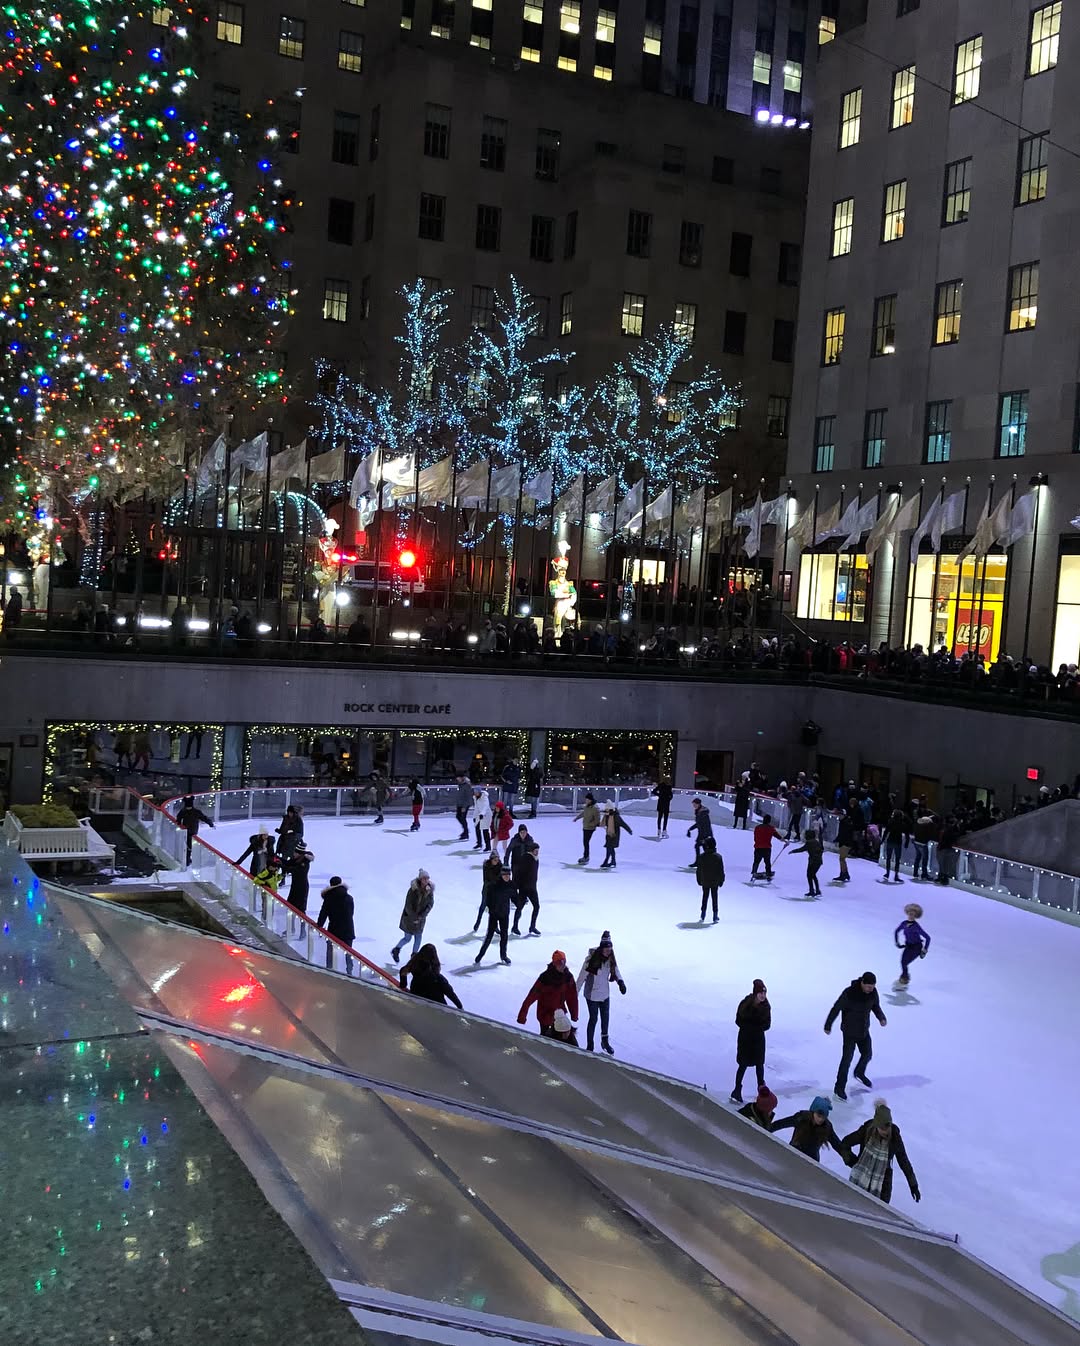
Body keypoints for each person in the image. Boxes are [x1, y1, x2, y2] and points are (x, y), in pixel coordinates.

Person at [841, 1099, 920, 1205]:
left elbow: (903, 1161)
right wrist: (853, 1162)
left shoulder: (895, 1137)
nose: (884, 1131)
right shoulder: (867, 1130)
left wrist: (913, 1185)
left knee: (878, 1209)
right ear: (876, 1125)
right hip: (861, 1177)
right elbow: (845, 1143)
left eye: (887, 1127)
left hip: (883, 1182)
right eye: (881, 1128)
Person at [824, 971, 887, 1100]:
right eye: (869, 987)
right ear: (862, 983)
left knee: (867, 1054)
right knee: (846, 1060)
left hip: (863, 1030)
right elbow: (836, 1008)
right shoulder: (849, 993)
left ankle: (859, 1072)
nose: (871, 989)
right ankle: (839, 1087)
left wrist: (881, 1017)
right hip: (849, 1032)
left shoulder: (873, 993)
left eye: (873, 987)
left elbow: (875, 1006)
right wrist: (828, 1024)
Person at [576, 931, 625, 1054]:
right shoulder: (591, 960)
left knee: (605, 1019)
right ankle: (590, 1045)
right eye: (607, 949)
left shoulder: (610, 959)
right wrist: (574, 993)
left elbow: (616, 969)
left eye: (610, 949)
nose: (609, 952)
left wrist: (621, 982)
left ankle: (605, 1041)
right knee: (593, 1019)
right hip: (592, 995)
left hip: (605, 995)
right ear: (602, 949)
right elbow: (581, 977)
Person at [770, 1096, 848, 1163]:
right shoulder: (801, 1118)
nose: (821, 1119)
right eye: (819, 1115)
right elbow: (780, 1124)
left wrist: (850, 1159)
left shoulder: (827, 1127)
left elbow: (837, 1144)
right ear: (813, 1111)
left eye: (823, 1117)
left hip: (812, 1160)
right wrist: (765, 1129)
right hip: (793, 1153)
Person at [517, 950, 579, 1034]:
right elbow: (531, 996)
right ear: (554, 963)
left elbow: (572, 997)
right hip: (545, 1015)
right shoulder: (545, 978)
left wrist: (574, 1014)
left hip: (559, 1014)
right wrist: (522, 1016)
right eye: (560, 963)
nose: (563, 965)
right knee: (546, 1037)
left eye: (564, 962)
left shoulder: (568, 977)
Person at [731, 978, 770, 1102]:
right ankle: (737, 1090)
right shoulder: (745, 1004)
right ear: (755, 993)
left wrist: (755, 1027)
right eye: (760, 993)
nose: (763, 996)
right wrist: (751, 1027)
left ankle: (761, 1092)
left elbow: (767, 1024)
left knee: (760, 1065)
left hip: (758, 1040)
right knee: (743, 1065)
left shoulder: (766, 1007)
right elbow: (738, 1020)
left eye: (764, 993)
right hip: (745, 1040)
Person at [475, 862, 515, 965]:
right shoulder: (494, 885)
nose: (507, 877)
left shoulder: (511, 884)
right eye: (506, 875)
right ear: (502, 875)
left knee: (504, 936)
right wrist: (492, 909)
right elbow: (488, 899)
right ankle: (481, 954)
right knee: (489, 935)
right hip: (494, 914)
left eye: (509, 875)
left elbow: (514, 897)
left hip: (505, 914)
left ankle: (503, 955)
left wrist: (520, 903)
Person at [400, 943, 463, 1008]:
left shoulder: (412, 968)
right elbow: (450, 993)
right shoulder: (438, 979)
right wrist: (460, 1007)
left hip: (416, 1000)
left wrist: (403, 984)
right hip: (437, 1006)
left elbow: (403, 982)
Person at [392, 868, 435, 963]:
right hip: (409, 919)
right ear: (420, 879)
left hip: (420, 920)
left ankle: (414, 957)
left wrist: (421, 916)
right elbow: (408, 905)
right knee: (407, 938)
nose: (426, 880)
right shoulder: (413, 890)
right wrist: (414, 918)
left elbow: (430, 904)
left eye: (427, 878)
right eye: (424, 878)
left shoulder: (429, 891)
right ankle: (396, 950)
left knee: (418, 937)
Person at [316, 875, 355, 975]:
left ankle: (329, 970)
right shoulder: (349, 898)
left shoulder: (329, 898)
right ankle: (350, 972)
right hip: (348, 929)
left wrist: (319, 925)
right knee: (348, 952)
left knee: (331, 951)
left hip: (334, 929)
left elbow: (323, 913)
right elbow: (351, 913)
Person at [893, 902, 931, 987]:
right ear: (907, 913)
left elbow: (928, 938)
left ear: (915, 916)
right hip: (908, 946)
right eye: (910, 913)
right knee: (903, 962)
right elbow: (896, 931)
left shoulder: (916, 927)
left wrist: (924, 950)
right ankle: (904, 978)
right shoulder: (904, 923)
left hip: (917, 948)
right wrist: (897, 943)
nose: (911, 915)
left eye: (913, 914)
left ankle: (904, 978)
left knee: (905, 963)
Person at [511, 843, 541, 936]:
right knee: (520, 907)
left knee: (536, 906)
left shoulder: (536, 859)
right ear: (532, 850)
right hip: (524, 888)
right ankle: (515, 927)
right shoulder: (526, 858)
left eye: (538, 851)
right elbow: (519, 873)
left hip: (532, 887)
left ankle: (532, 927)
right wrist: (518, 886)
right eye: (536, 850)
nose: (537, 852)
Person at [176, 794, 214, 865]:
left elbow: (178, 819)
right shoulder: (196, 812)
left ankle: (187, 859)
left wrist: (179, 824)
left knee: (187, 845)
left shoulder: (183, 811)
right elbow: (204, 818)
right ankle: (187, 859)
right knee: (189, 845)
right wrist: (210, 823)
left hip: (186, 831)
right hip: (193, 831)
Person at [695, 837, 725, 921]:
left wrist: (699, 880)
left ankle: (703, 914)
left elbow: (699, 870)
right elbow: (721, 870)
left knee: (705, 897)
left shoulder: (701, 857)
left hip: (705, 880)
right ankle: (715, 915)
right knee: (714, 897)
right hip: (715, 881)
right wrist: (721, 880)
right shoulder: (718, 857)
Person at [790, 828, 824, 897]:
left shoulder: (809, 843)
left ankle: (812, 890)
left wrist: (793, 851)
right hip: (818, 861)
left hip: (812, 862)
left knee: (809, 875)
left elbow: (802, 849)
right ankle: (817, 890)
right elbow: (821, 850)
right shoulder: (816, 842)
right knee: (813, 875)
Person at [750, 814, 783, 881]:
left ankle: (754, 873)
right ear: (769, 821)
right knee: (767, 862)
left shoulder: (757, 827)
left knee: (756, 861)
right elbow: (777, 836)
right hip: (767, 848)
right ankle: (768, 875)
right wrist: (785, 841)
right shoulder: (771, 828)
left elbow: (755, 837)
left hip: (758, 847)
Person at [599, 803, 632, 868]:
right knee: (609, 848)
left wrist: (629, 830)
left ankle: (608, 861)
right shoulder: (607, 816)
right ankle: (612, 861)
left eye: (607, 810)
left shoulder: (616, 817)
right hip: (609, 833)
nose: (606, 811)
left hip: (614, 834)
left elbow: (623, 824)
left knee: (610, 847)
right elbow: (603, 823)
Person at [882, 808, 911, 882]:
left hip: (890, 841)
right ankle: (896, 875)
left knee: (888, 858)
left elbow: (886, 831)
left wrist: (882, 840)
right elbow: (907, 834)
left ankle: (887, 873)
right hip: (898, 842)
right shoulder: (903, 824)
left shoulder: (890, 822)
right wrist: (906, 843)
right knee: (897, 859)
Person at [286, 843, 313, 917]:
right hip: (295, 886)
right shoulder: (296, 860)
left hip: (301, 888)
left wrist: (284, 867)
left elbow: (295, 870)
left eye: (295, 853)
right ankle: (290, 926)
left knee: (300, 909)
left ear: (299, 854)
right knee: (290, 906)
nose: (293, 854)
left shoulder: (304, 863)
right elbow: (287, 863)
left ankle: (302, 927)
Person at [574, 792, 600, 864]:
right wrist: (577, 818)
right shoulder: (587, 806)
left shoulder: (595, 808)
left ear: (590, 800)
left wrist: (591, 824)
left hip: (590, 828)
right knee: (585, 842)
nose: (586, 801)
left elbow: (597, 820)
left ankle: (586, 857)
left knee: (586, 842)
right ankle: (586, 856)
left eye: (587, 799)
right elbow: (583, 813)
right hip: (585, 827)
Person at [686, 797, 713, 865]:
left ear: (698, 804)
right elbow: (699, 824)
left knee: (704, 847)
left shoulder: (702, 813)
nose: (693, 806)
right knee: (700, 847)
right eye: (693, 804)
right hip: (702, 832)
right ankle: (700, 862)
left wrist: (690, 829)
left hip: (705, 833)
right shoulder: (699, 811)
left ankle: (706, 862)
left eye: (694, 804)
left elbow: (700, 824)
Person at [912, 809, 936, 880]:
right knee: (925, 860)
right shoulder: (928, 826)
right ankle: (924, 874)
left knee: (917, 858)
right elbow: (931, 835)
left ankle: (915, 873)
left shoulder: (918, 824)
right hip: (923, 844)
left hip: (916, 843)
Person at [835, 807, 855, 882]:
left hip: (846, 843)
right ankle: (845, 873)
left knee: (842, 859)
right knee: (842, 859)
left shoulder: (845, 823)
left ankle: (844, 874)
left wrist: (839, 839)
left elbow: (844, 834)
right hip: (844, 842)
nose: (839, 816)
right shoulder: (844, 822)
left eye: (840, 815)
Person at [472, 786, 493, 851]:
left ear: (479, 792)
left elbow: (486, 806)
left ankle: (488, 846)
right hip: (479, 814)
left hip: (486, 815)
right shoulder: (475, 798)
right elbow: (476, 807)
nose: (475, 793)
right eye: (474, 792)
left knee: (485, 831)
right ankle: (479, 843)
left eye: (476, 792)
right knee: (477, 828)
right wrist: (474, 816)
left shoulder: (484, 797)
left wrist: (482, 814)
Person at [454, 773, 473, 841]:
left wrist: (464, 807)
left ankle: (466, 833)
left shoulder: (467, 785)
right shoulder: (460, 784)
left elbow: (468, 797)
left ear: (462, 778)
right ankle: (465, 830)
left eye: (458, 777)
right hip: (460, 804)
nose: (457, 779)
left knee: (462, 818)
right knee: (458, 817)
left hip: (465, 804)